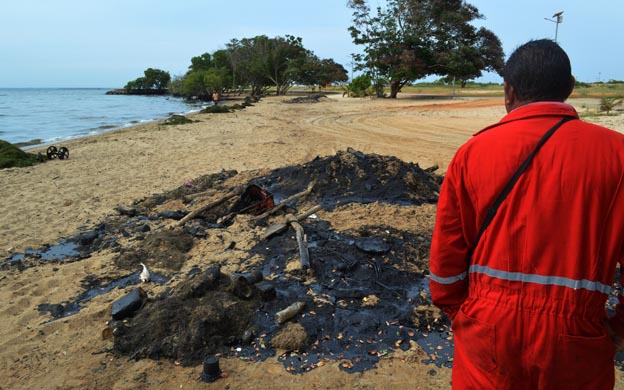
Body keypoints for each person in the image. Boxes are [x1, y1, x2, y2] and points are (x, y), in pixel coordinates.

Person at [429, 39, 624, 389]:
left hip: (487, 327)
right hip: (578, 334)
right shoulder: (618, 155)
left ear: (508, 91)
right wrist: (617, 329)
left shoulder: (472, 152)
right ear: (570, 88)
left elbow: (447, 256)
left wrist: (460, 313)